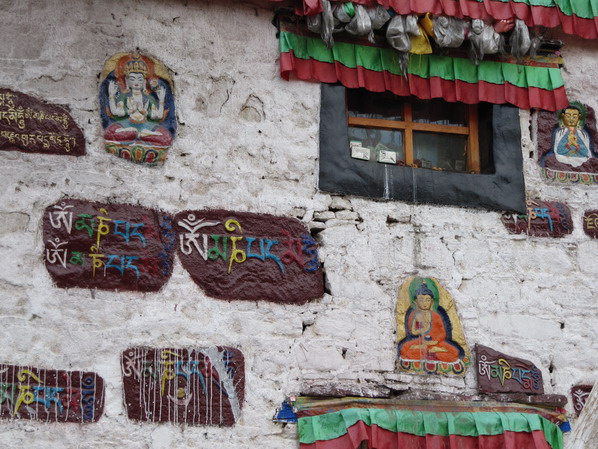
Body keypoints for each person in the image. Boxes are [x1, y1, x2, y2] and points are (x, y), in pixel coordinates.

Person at [104, 55, 173, 147]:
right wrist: (112, 96)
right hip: (127, 125)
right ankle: (140, 135)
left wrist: (161, 100)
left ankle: (140, 135)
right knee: (109, 132)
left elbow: (158, 116)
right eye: (132, 79)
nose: (136, 82)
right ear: (127, 81)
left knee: (167, 136)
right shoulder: (124, 96)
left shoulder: (148, 98)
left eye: (140, 79)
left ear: (144, 82)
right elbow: (116, 112)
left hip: (146, 126)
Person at [398, 282, 462, 363]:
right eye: (421, 300)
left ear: (432, 301)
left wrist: (435, 342)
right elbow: (412, 332)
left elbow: (443, 333)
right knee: (403, 350)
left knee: (455, 352)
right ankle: (433, 354)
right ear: (416, 302)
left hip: (436, 342)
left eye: (427, 300)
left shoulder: (435, 315)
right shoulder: (414, 315)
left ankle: (433, 352)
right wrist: (422, 331)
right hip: (419, 341)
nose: (424, 303)